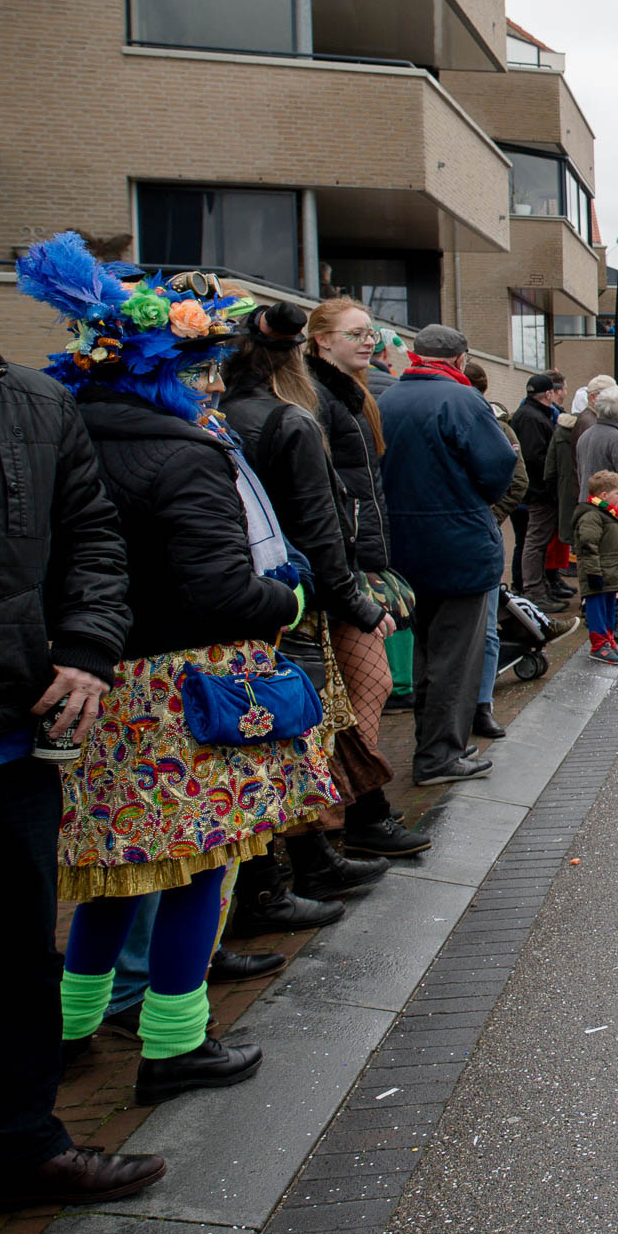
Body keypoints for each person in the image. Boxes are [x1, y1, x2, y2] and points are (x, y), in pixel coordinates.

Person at [12, 235, 341, 1112]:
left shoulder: (57, 441)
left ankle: (70, 1027)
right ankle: (174, 1041)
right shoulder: (186, 453)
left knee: (111, 871)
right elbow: (222, 590)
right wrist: (291, 597)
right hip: (186, 692)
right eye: (200, 372)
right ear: (165, 371)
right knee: (202, 867)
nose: (212, 388)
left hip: (92, 686)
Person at [0, 235, 170, 1214]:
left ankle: (19, 1151)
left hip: (3, 738)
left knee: (10, 962)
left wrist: (86, 646)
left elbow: (92, 538)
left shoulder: (38, 408)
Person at [220, 301, 393, 906]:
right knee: (300, 728)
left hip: (261, 596)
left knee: (287, 729)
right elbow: (320, 527)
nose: (367, 342)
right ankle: (306, 858)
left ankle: (313, 853)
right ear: (303, 351)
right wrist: (356, 601)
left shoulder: (228, 415)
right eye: (355, 333)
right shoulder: (288, 420)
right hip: (294, 598)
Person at [302, 299, 429, 858]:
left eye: (371, 332)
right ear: (322, 339)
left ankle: (352, 806)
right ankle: (351, 811)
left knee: (363, 690)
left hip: (361, 559)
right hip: (341, 566)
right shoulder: (316, 397)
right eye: (355, 333)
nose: (368, 341)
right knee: (366, 687)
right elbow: (324, 494)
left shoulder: (353, 394)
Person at [379, 326, 516, 785]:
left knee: (425, 654)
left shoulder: (388, 398)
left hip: (403, 546)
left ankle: (437, 743)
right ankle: (439, 755)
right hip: (458, 547)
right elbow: (498, 466)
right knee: (455, 658)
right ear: (460, 360)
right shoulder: (462, 399)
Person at [462, 359, 533, 739]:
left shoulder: (495, 426)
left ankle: (481, 705)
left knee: (485, 625)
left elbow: (517, 480)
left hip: (473, 535)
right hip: (439, 539)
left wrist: (489, 515)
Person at [572, 385, 618, 647]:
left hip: (588, 504)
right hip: (610, 511)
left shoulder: (585, 436)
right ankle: (612, 626)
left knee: (598, 567)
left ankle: (603, 626)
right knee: (614, 569)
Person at [511, 372, 569, 614]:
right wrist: (550, 483)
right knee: (534, 541)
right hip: (538, 492)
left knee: (536, 541)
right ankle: (534, 591)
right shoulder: (532, 418)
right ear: (548, 393)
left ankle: (541, 586)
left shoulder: (532, 414)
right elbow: (535, 458)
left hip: (538, 491)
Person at [572, 471, 618, 665]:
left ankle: (609, 641)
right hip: (598, 572)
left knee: (608, 608)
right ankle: (599, 645)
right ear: (604, 495)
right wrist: (593, 572)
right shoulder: (592, 516)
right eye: (617, 493)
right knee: (596, 608)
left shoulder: (609, 514)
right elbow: (588, 546)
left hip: (610, 572)